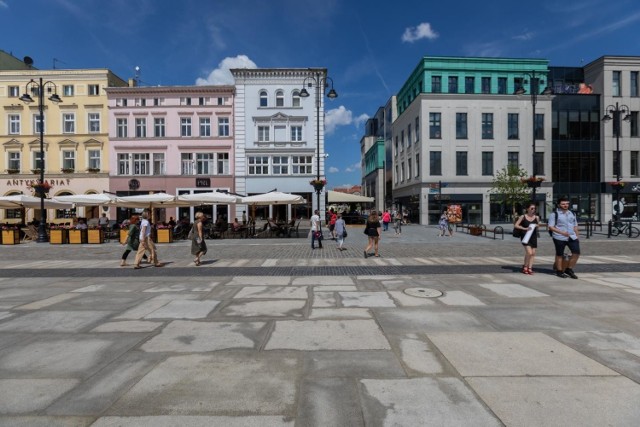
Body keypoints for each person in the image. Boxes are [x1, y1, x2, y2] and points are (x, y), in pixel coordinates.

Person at [548, 196, 580, 279]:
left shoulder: (572, 213)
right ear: (559, 205)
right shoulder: (554, 214)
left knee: (576, 252)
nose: (565, 205)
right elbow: (551, 227)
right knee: (559, 254)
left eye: (567, 203)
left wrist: (577, 235)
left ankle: (569, 269)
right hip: (559, 237)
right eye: (563, 204)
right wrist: (562, 232)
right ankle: (559, 271)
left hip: (572, 236)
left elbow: (575, 225)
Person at [514, 203, 540, 275]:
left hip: (533, 236)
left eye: (534, 208)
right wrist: (524, 228)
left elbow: (538, 226)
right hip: (525, 236)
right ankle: (525, 266)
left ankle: (530, 268)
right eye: (532, 208)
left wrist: (536, 225)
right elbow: (516, 225)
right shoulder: (523, 216)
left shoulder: (536, 217)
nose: (533, 210)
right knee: (529, 252)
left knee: (533, 253)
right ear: (527, 209)